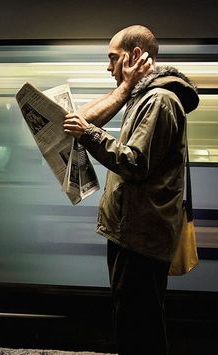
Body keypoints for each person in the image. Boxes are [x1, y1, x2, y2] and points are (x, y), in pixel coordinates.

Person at [63, 25, 199, 355]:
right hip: (134, 231)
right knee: (137, 321)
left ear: (134, 56)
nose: (109, 67)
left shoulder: (159, 102)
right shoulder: (143, 99)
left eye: (112, 58)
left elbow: (135, 163)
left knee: (138, 327)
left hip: (140, 234)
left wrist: (90, 135)